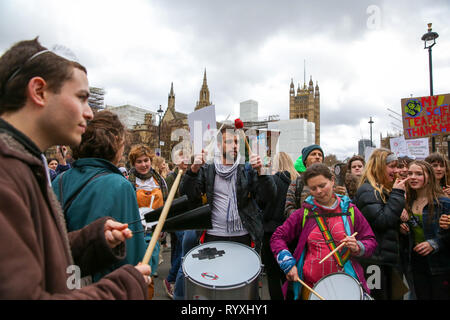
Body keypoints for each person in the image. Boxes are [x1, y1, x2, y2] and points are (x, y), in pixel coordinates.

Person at [0, 38, 149, 299]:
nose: (90, 113)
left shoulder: (23, 163)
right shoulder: (5, 173)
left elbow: (38, 255)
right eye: (81, 97)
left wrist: (92, 240)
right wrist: (124, 287)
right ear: (39, 92)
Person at [52, 110, 147, 283]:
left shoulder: (59, 180)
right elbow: (133, 254)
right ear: (116, 143)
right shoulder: (120, 185)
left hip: (63, 280)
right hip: (104, 285)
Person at [270, 163, 377, 300]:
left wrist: (358, 246)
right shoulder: (304, 214)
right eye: (313, 188)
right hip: (312, 287)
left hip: (346, 286)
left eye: (322, 185)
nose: (319, 191)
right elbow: (277, 237)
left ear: (332, 181)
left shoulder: (350, 211)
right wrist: (287, 263)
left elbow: (370, 240)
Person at [180, 126, 276, 253]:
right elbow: (188, 195)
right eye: (229, 142)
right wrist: (193, 170)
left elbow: (269, 196)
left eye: (236, 142)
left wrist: (262, 171)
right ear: (219, 145)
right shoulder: (207, 169)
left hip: (243, 235)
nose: (234, 146)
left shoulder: (247, 169)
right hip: (213, 234)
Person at [354, 148, 409, 300]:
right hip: (374, 262)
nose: (396, 170)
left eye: (397, 166)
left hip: (387, 260)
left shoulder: (383, 189)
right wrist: (397, 195)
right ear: (378, 166)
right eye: (392, 166)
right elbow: (382, 221)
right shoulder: (368, 191)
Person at [400, 160, 450, 299]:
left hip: (440, 264)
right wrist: (402, 228)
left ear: (429, 177)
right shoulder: (407, 202)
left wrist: (433, 244)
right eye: (410, 173)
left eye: (419, 174)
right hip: (416, 262)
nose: (413, 177)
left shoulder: (444, 203)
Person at [262, 152, 299, 300]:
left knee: (272, 275)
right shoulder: (297, 181)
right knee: (290, 272)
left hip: (270, 232)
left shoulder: (271, 181)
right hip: (291, 232)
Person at [128, 144, 168, 278]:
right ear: (133, 164)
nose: (144, 164)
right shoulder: (128, 182)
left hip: (154, 230)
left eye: (146, 160)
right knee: (137, 268)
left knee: (151, 266)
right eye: (139, 161)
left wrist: (164, 226)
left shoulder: (159, 180)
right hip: (136, 229)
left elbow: (166, 204)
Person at [285, 144, 325, 218]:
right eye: (313, 154)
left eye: (320, 155)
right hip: (305, 227)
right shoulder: (296, 183)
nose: (317, 157)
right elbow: (288, 209)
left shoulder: (330, 181)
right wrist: (306, 215)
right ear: (305, 160)